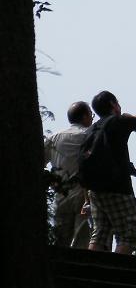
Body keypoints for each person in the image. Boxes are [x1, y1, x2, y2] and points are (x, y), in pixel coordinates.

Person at [87, 90, 136, 254]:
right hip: (117, 187)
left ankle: (90, 270)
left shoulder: (93, 129)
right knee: (128, 234)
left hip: (95, 189)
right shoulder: (120, 120)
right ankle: (117, 271)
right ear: (113, 104)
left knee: (99, 234)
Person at [43, 101, 94, 248]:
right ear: (85, 117)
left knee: (59, 239)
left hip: (61, 194)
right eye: (91, 115)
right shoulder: (88, 136)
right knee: (82, 239)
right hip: (83, 194)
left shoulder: (54, 138)